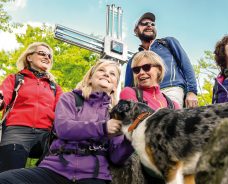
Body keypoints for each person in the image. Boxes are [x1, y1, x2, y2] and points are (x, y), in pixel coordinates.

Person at [0, 59, 134, 184]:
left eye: (112, 74)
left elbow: (117, 157)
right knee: (5, 179)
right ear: (90, 78)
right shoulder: (70, 98)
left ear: (115, 86)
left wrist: (129, 141)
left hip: (93, 176)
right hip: (54, 169)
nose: (106, 74)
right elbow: (63, 128)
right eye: (101, 70)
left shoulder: (115, 115)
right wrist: (102, 127)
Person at [0, 42, 63, 172]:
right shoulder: (15, 79)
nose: (47, 57)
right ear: (29, 57)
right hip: (17, 131)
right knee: (9, 174)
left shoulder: (55, 88)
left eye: (49, 56)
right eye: (42, 53)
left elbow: (62, 113)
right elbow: (3, 98)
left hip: (45, 134)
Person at [120, 51, 180, 184]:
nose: (141, 72)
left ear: (158, 69)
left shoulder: (173, 104)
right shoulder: (129, 93)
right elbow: (136, 127)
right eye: (136, 70)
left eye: (146, 67)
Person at [124, 12, 198, 108]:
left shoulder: (167, 43)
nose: (149, 25)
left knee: (166, 117)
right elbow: (128, 87)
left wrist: (192, 91)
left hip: (171, 90)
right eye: (144, 23)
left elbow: (186, 66)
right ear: (136, 30)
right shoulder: (133, 60)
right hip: (144, 97)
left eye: (152, 24)